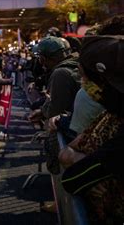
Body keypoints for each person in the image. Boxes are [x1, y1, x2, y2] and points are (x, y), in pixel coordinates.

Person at [58, 35, 124, 223]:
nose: (83, 84)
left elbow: (72, 179)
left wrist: (74, 156)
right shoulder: (110, 115)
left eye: (86, 77)